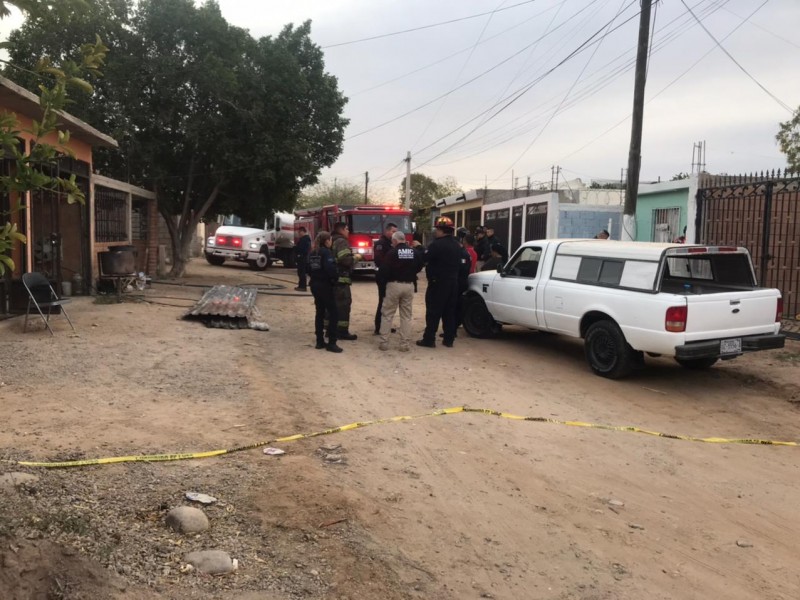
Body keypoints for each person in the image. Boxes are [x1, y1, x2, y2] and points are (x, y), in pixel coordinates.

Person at [415, 216, 462, 348]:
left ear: (441, 230)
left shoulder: (436, 244)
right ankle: (449, 339)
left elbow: (425, 257)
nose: (435, 232)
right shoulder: (457, 245)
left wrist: (419, 248)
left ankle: (429, 339)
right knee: (449, 312)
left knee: (433, 312)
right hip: (453, 282)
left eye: (437, 229)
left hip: (438, 283)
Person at [378, 230, 424, 351]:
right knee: (406, 316)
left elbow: (384, 270)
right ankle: (404, 344)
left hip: (394, 285)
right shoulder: (414, 252)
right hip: (409, 285)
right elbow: (420, 265)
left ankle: (384, 342)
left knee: (387, 314)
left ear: (394, 240)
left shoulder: (392, 252)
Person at [307, 231, 342, 353]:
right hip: (325, 286)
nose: (331, 242)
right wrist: (335, 278)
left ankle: (319, 341)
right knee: (334, 313)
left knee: (319, 312)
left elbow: (308, 269)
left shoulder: (313, 253)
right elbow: (330, 269)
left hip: (315, 285)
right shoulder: (326, 253)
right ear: (327, 241)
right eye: (330, 240)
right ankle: (332, 342)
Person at [331, 222, 360, 340]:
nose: (348, 232)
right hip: (341, 281)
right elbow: (345, 260)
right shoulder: (342, 241)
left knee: (331, 305)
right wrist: (356, 258)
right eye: (347, 229)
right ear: (342, 230)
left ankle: (330, 329)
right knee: (343, 306)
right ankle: (342, 331)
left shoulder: (330, 239)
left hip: (332, 280)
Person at [372, 222, 398, 335]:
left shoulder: (392, 243)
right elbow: (379, 260)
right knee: (383, 302)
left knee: (389, 303)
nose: (395, 233)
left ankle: (385, 325)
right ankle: (379, 327)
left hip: (390, 276)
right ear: (387, 231)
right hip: (383, 276)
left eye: (396, 232)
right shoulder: (381, 243)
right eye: (393, 231)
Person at [294, 226, 311, 291]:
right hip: (302, 258)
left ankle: (302, 287)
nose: (298, 234)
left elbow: (303, 249)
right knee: (300, 272)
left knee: (302, 273)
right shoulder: (304, 239)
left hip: (302, 258)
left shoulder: (305, 239)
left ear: (302, 232)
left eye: (299, 232)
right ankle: (301, 286)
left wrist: (298, 252)